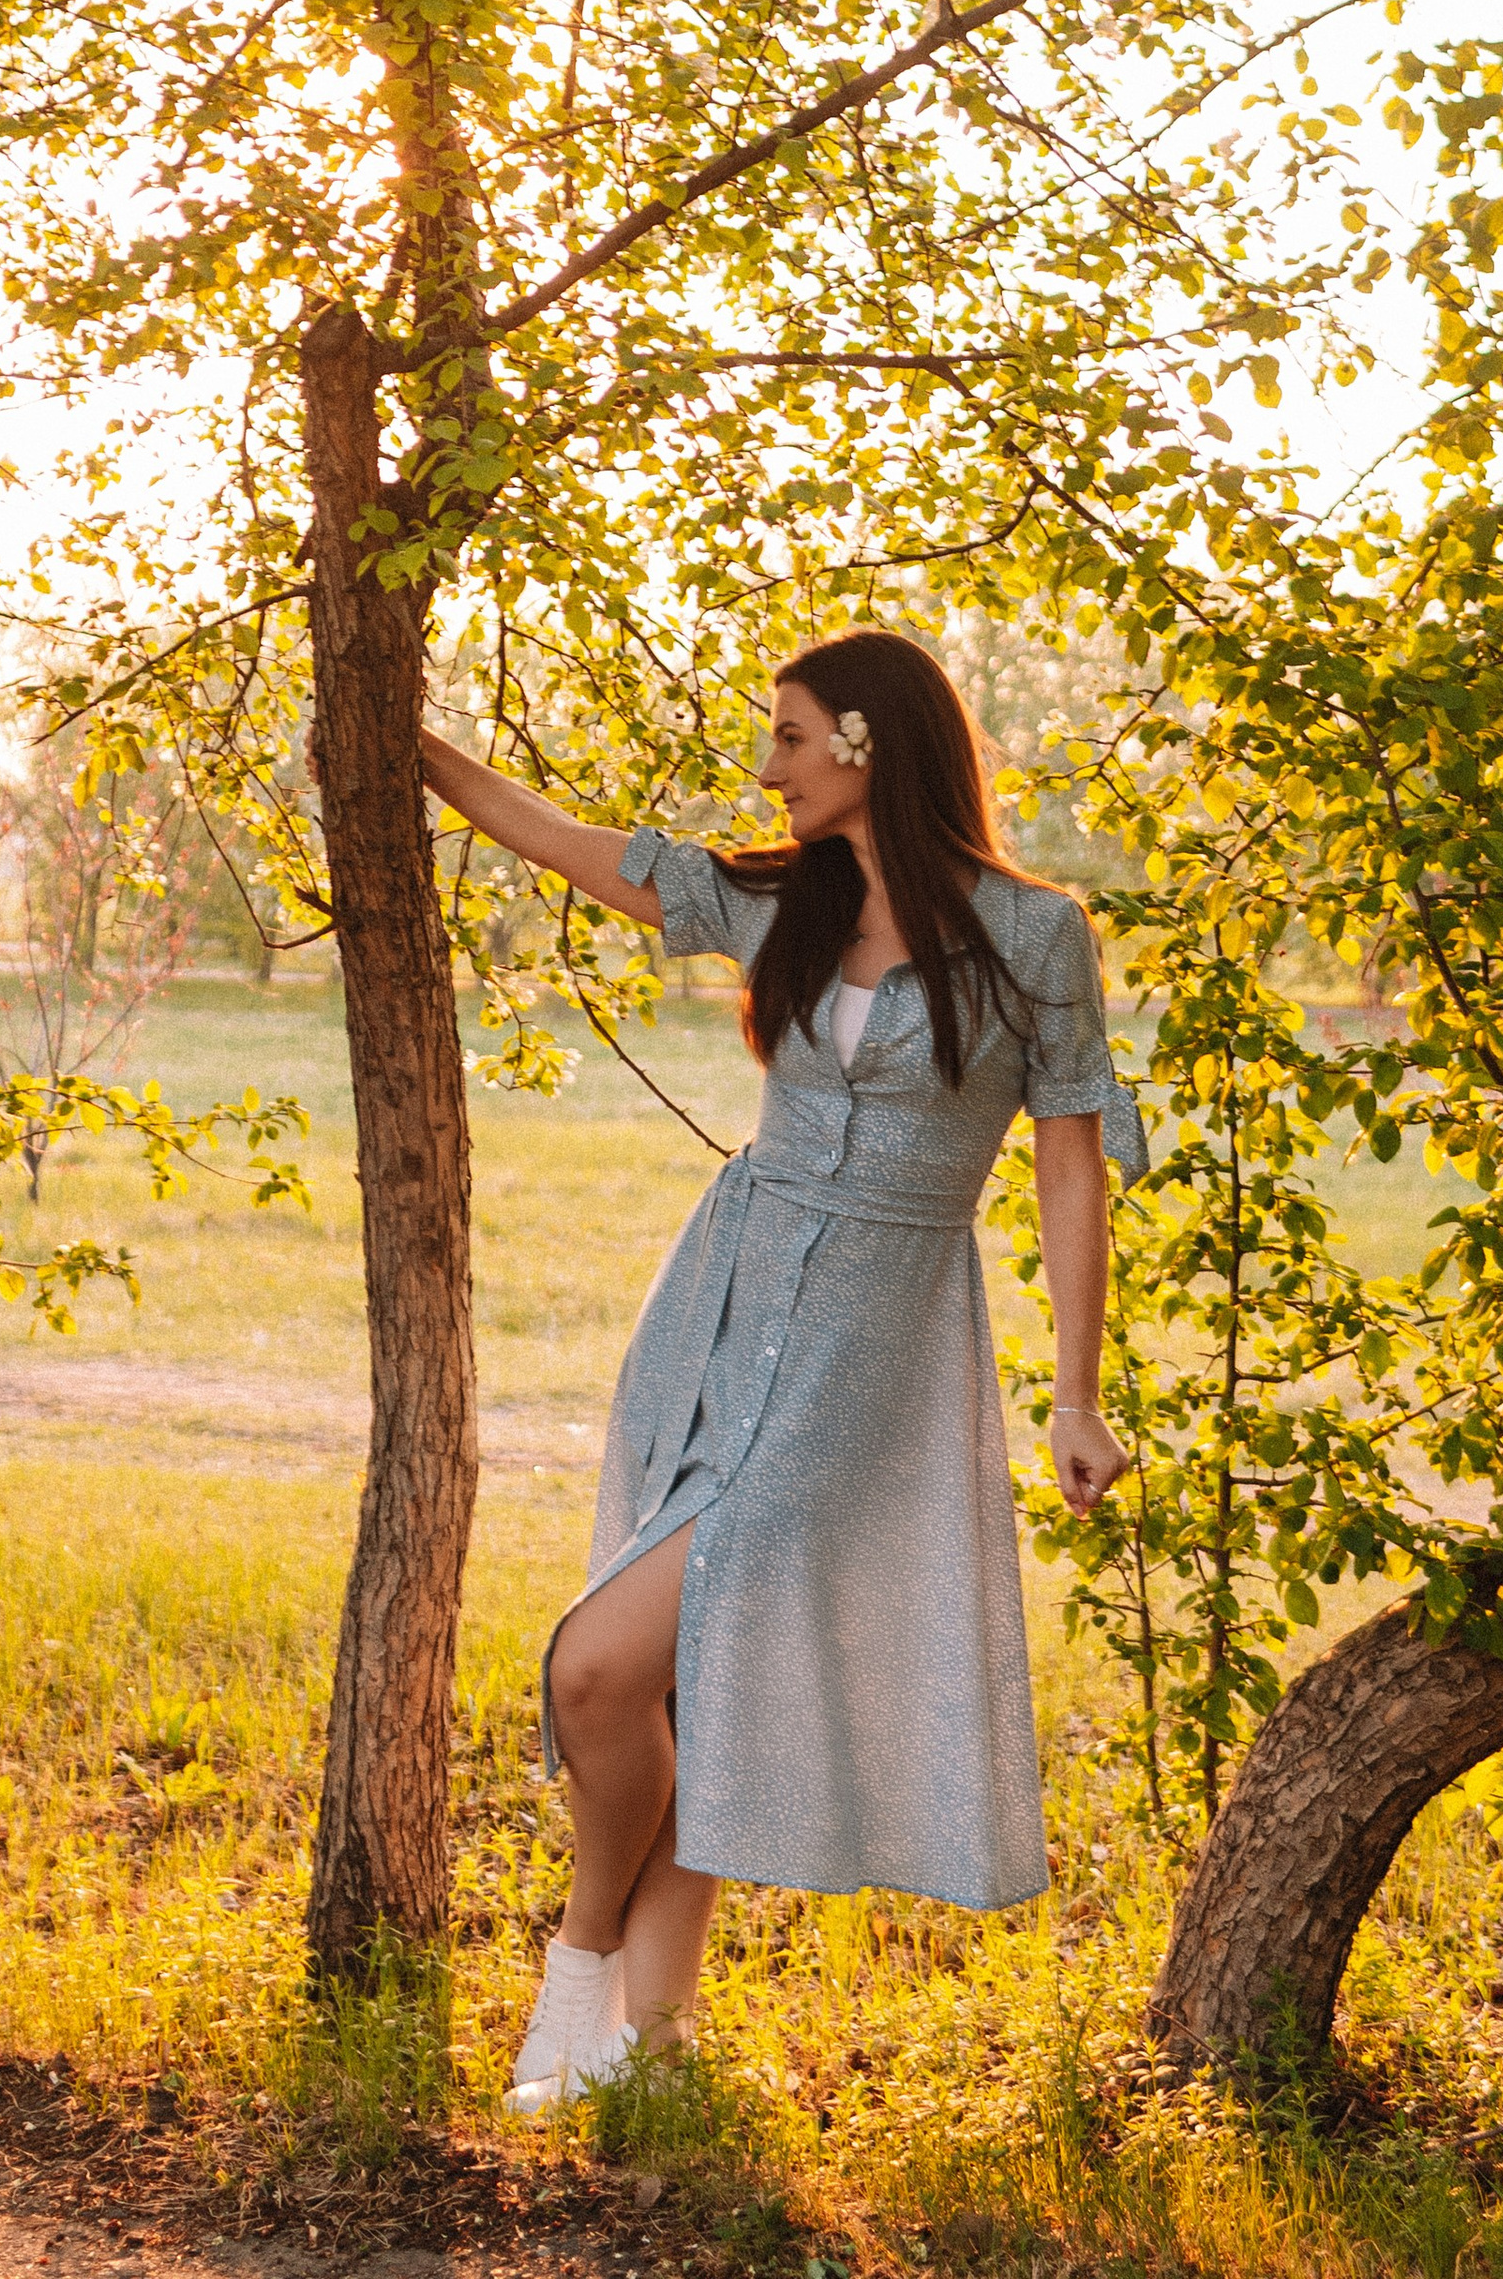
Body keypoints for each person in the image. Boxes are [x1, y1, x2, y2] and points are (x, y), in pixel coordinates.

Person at [419, 629, 1144, 2114]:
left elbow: (1072, 1171)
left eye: (795, 737)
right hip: (725, 1300)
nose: (772, 766)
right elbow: (573, 848)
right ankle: (654, 2044)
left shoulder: (1035, 936)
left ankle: (576, 1973)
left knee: (601, 1665)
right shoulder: (781, 901)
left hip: (875, 1340)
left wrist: (1075, 1394)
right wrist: (407, 749)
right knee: (694, 1667)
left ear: (872, 744)